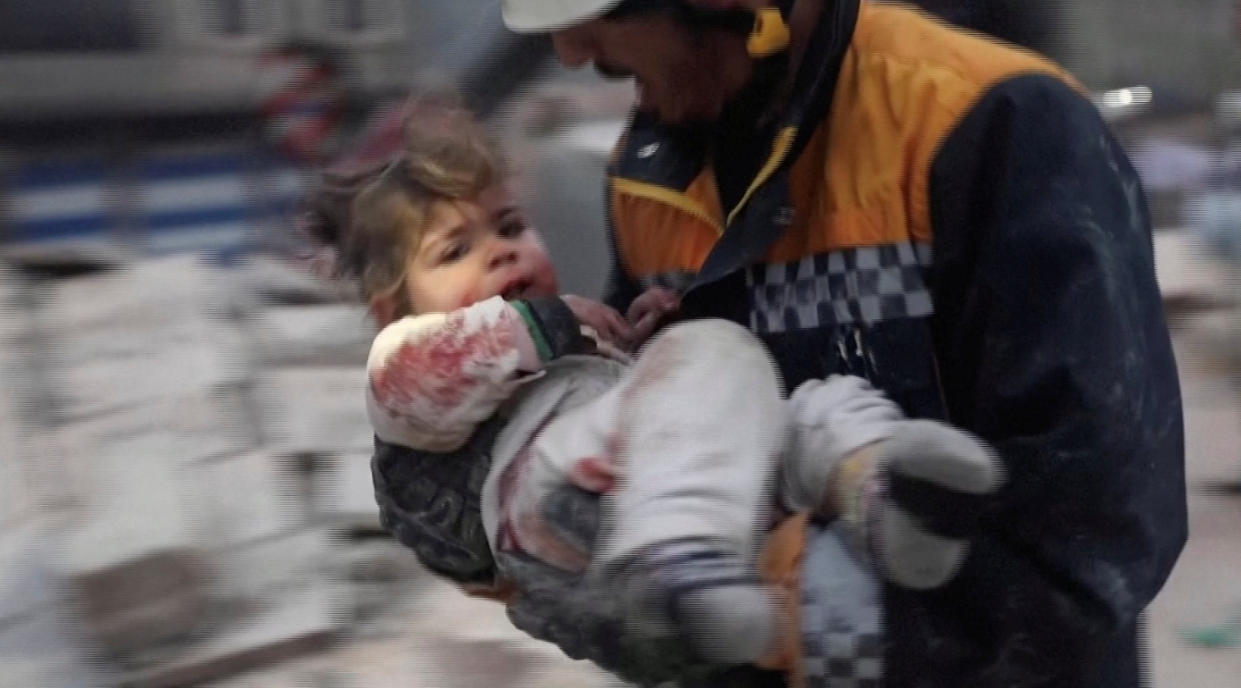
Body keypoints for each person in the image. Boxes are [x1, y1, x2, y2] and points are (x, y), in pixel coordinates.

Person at [491, 0, 1187, 687]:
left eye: (601, 14)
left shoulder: (990, 122)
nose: (572, 52)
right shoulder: (646, 175)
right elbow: (631, 460)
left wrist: (774, 613)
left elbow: (1091, 539)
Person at [303, 100, 1003, 680]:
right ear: (390, 309)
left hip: (628, 477)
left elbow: (632, 399)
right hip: (549, 499)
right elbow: (437, 371)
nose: (502, 250)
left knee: (808, 405)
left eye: (510, 226)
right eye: (454, 250)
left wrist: (637, 346)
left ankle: (880, 490)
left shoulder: (571, 341)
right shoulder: (403, 358)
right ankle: (675, 558)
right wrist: (550, 324)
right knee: (712, 353)